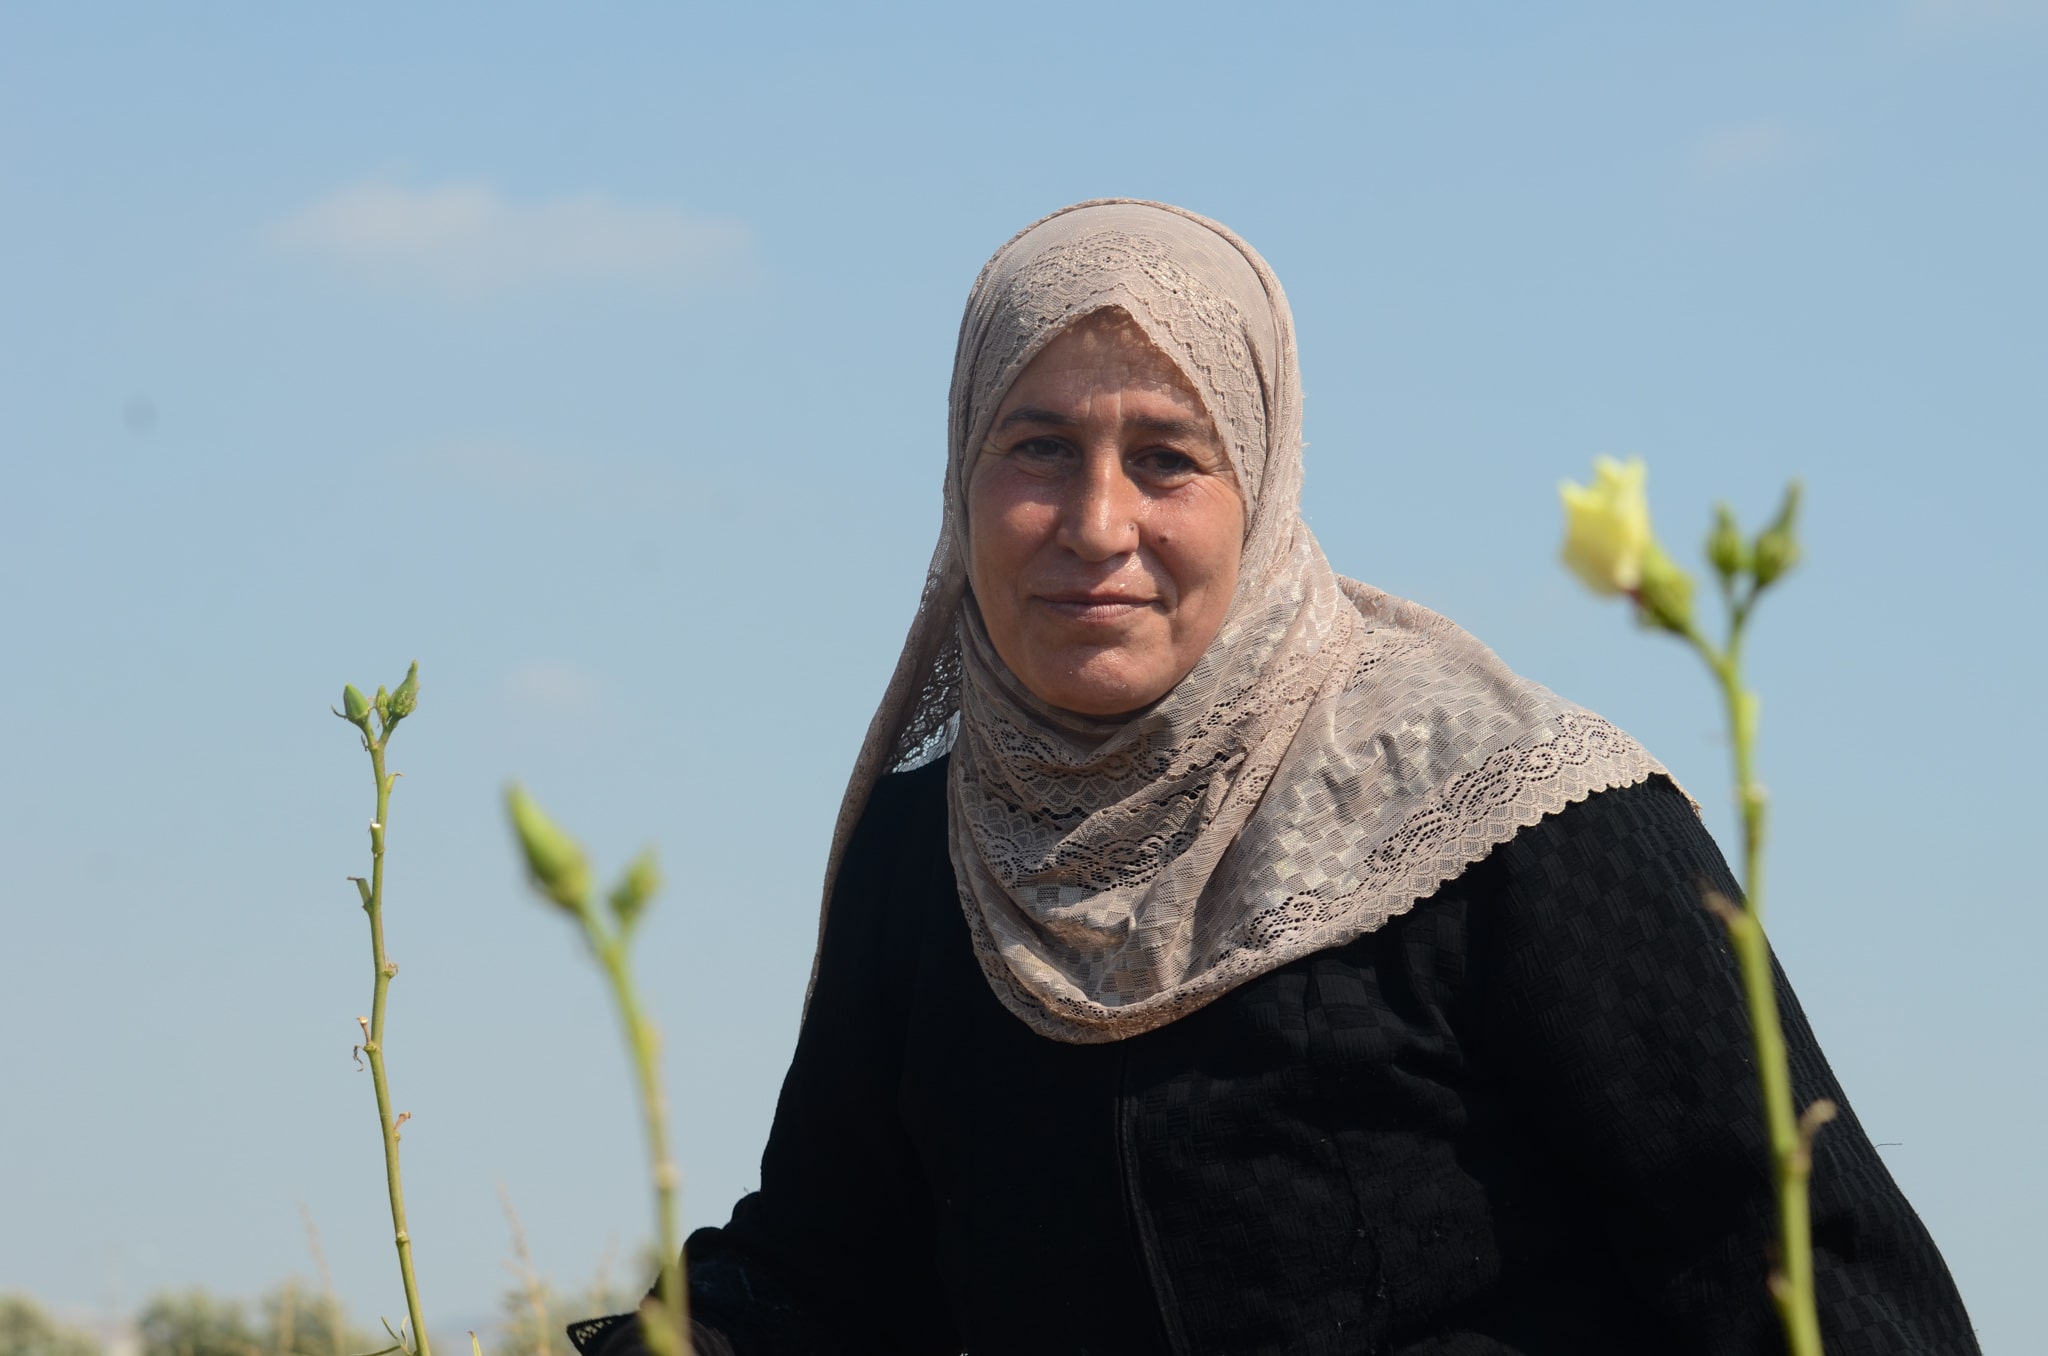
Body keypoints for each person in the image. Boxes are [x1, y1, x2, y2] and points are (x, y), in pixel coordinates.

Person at [570, 201, 1978, 1355]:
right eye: (1039, 449)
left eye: (1168, 457)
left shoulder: (1519, 817)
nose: (1097, 523)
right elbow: (830, 1278)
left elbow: (1809, 1278)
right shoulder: (926, 853)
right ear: (962, 480)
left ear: (1263, 486)